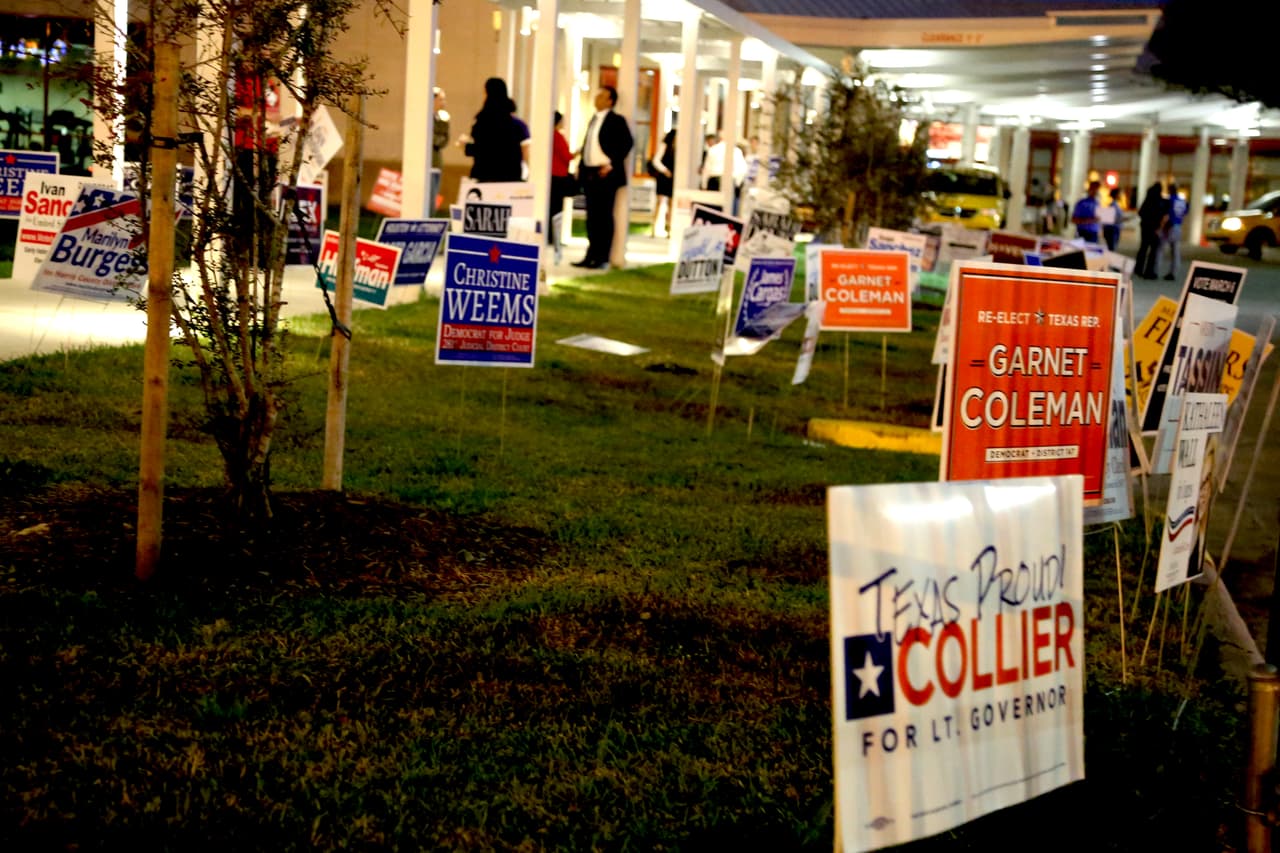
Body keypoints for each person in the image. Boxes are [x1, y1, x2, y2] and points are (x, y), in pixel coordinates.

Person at [572, 85, 633, 270]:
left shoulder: (617, 120)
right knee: (591, 217)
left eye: (601, 96)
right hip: (590, 173)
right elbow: (589, 145)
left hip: (606, 174)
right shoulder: (593, 120)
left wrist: (611, 163)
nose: (596, 98)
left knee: (604, 216)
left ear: (610, 101)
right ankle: (590, 254)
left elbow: (627, 143)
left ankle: (602, 257)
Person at [231, 53, 282, 268]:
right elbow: (236, 112)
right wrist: (255, 115)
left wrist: (253, 114)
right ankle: (241, 253)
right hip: (244, 148)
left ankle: (262, 254)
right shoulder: (240, 82)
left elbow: (274, 115)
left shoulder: (270, 84)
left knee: (264, 200)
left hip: (267, 149)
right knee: (243, 202)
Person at [463, 78, 528, 183]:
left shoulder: (481, 122)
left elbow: (477, 149)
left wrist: (465, 146)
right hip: (511, 177)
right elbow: (525, 153)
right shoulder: (517, 125)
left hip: (485, 175)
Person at [549, 111, 574, 263]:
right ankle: (554, 237)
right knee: (557, 210)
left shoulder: (548, 136)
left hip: (551, 176)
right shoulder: (557, 137)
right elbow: (567, 156)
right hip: (558, 176)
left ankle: (551, 236)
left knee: (551, 208)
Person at [1134, 182, 1165, 279]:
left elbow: (1140, 213)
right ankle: (1149, 271)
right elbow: (1161, 215)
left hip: (1145, 228)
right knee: (1153, 251)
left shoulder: (1148, 199)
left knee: (1143, 248)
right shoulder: (1159, 202)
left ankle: (1138, 269)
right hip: (1154, 229)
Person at [1160, 181, 1188, 281]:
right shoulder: (1182, 201)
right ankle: (1173, 272)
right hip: (1178, 225)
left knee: (1160, 248)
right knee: (1175, 251)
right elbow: (1185, 212)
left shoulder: (1170, 200)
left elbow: (1167, 213)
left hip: (1169, 226)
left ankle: (1155, 269)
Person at [650, 127, 675, 237]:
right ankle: (653, 229)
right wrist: (665, 171)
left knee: (671, 204)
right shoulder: (665, 146)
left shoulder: (678, 149)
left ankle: (669, 229)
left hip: (673, 178)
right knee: (659, 203)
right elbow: (656, 161)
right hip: (664, 177)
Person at [430, 87, 449, 214]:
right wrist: (438, 138)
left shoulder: (442, 119)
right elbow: (431, 139)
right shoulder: (425, 118)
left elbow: (444, 139)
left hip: (437, 163)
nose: (443, 103)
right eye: (440, 99)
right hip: (427, 163)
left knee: (434, 196)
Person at [1071, 179, 1102, 243]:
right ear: (1089, 189)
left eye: (1097, 189)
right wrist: (1090, 220)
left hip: (1094, 234)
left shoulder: (1098, 203)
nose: (1096, 191)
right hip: (1083, 233)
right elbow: (1074, 220)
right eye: (1094, 189)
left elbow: (1099, 220)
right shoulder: (1082, 203)